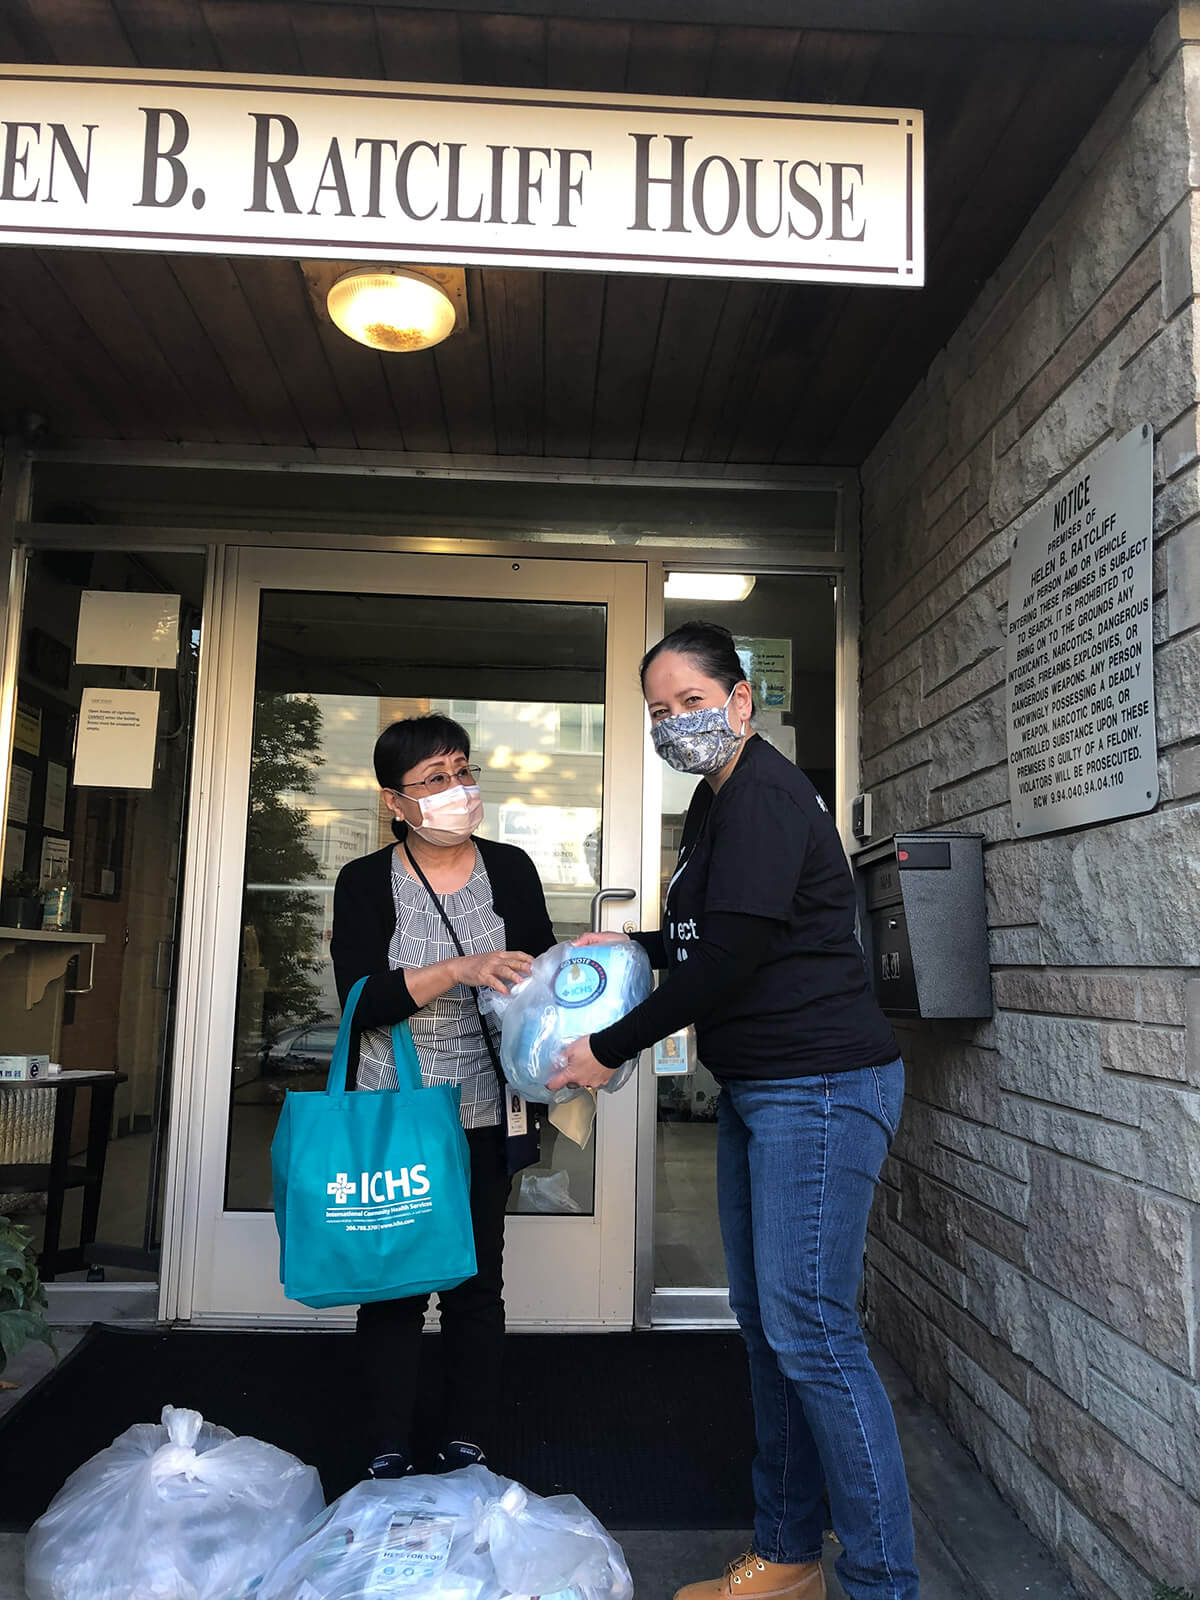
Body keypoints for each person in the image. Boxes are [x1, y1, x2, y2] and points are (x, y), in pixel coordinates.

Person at [548, 621, 918, 1600]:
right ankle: (790, 1555)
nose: (677, 723)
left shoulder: (759, 795)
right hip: (767, 1086)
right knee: (773, 1326)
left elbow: (728, 962)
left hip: (822, 1085)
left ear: (742, 700)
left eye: (691, 702)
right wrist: (623, 944)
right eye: (660, 711)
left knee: (815, 1332)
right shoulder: (715, 804)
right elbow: (707, 933)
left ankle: (884, 1581)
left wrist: (605, 1048)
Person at [330, 712, 555, 1480]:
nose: (457, 790)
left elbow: (541, 987)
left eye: (463, 770)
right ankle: (385, 1443)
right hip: (394, 1112)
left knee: (473, 1284)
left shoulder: (512, 869)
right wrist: (457, 971)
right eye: (434, 779)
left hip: (486, 1111)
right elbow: (361, 1003)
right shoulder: (364, 882)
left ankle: (469, 1440)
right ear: (396, 802)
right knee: (393, 1288)